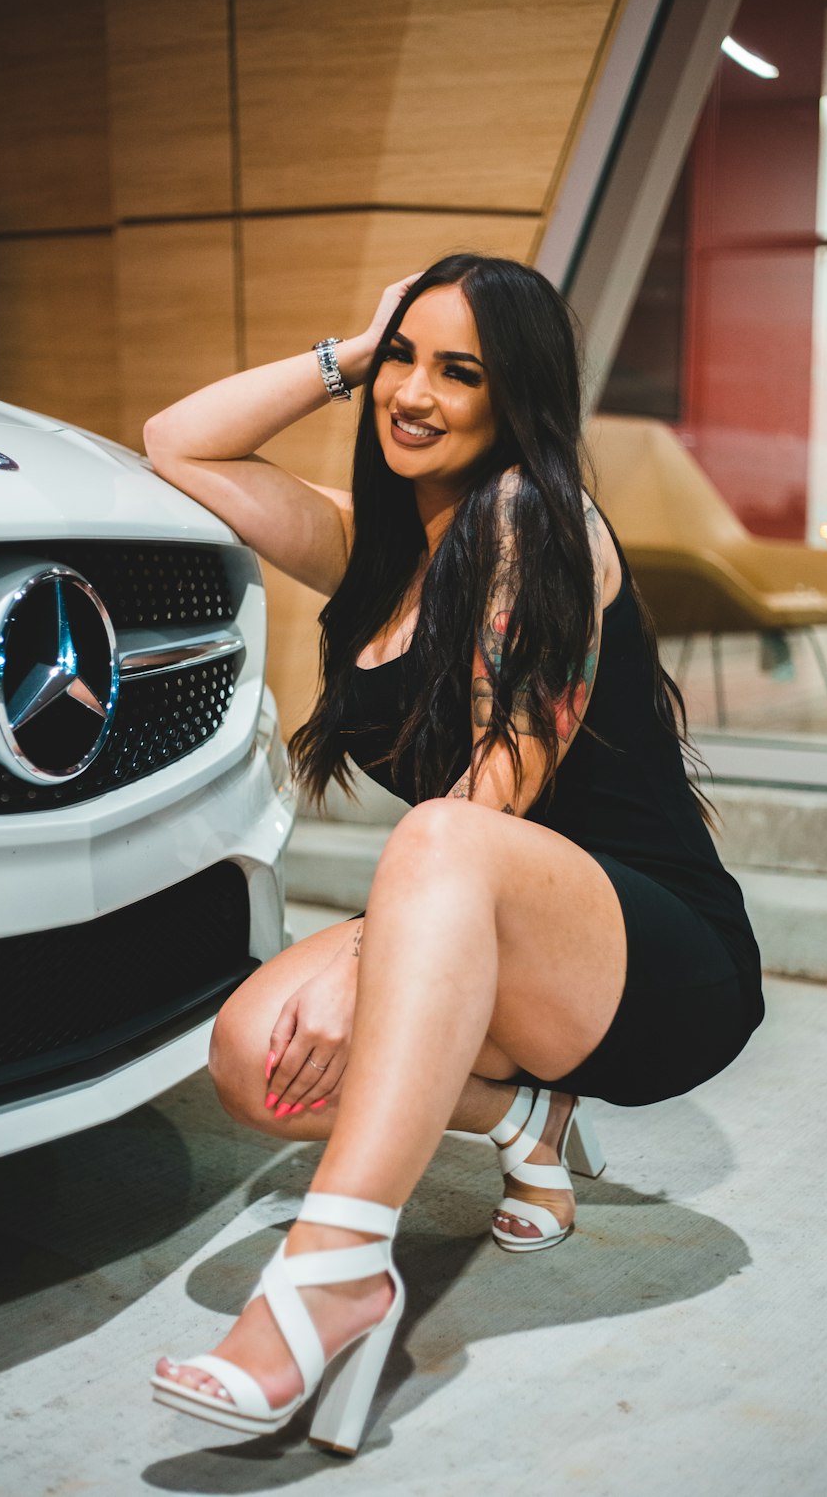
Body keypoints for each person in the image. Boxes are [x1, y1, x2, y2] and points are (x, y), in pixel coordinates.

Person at [144, 254, 764, 1453]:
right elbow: (179, 442)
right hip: (487, 941)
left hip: (655, 962)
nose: (412, 395)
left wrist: (362, 955)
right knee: (249, 1061)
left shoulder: (546, 526)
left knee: (442, 835)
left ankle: (336, 1274)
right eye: (405, 362)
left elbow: (492, 803)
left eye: (457, 371)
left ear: (513, 397)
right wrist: (349, 352)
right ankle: (528, 1118)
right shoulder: (365, 551)